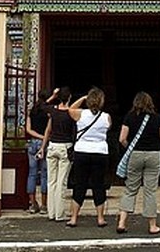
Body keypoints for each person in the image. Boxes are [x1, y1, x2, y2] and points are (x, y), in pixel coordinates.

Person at [116, 91, 160, 235]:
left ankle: (122, 222)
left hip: (135, 155)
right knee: (150, 191)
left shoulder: (129, 117)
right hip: (154, 155)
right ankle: (152, 225)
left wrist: (130, 147)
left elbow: (121, 138)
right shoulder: (157, 119)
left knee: (130, 189)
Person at [65, 87, 112, 228]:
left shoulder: (80, 114)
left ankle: (73, 218)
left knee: (80, 185)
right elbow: (108, 128)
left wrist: (83, 98)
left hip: (82, 152)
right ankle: (100, 218)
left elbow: (69, 109)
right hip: (100, 152)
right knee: (98, 185)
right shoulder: (106, 117)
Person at [38, 86, 75, 222]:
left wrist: (53, 96)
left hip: (52, 146)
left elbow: (41, 105)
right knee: (61, 182)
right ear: (69, 98)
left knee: (51, 181)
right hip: (65, 146)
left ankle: (51, 212)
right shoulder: (71, 113)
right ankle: (60, 213)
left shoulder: (53, 111)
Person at [25, 89, 54, 213]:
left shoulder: (32, 111)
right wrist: (44, 138)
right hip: (45, 144)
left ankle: (32, 203)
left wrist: (37, 136)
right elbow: (49, 129)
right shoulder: (48, 112)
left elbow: (28, 129)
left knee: (32, 174)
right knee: (44, 174)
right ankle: (44, 205)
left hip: (32, 143)